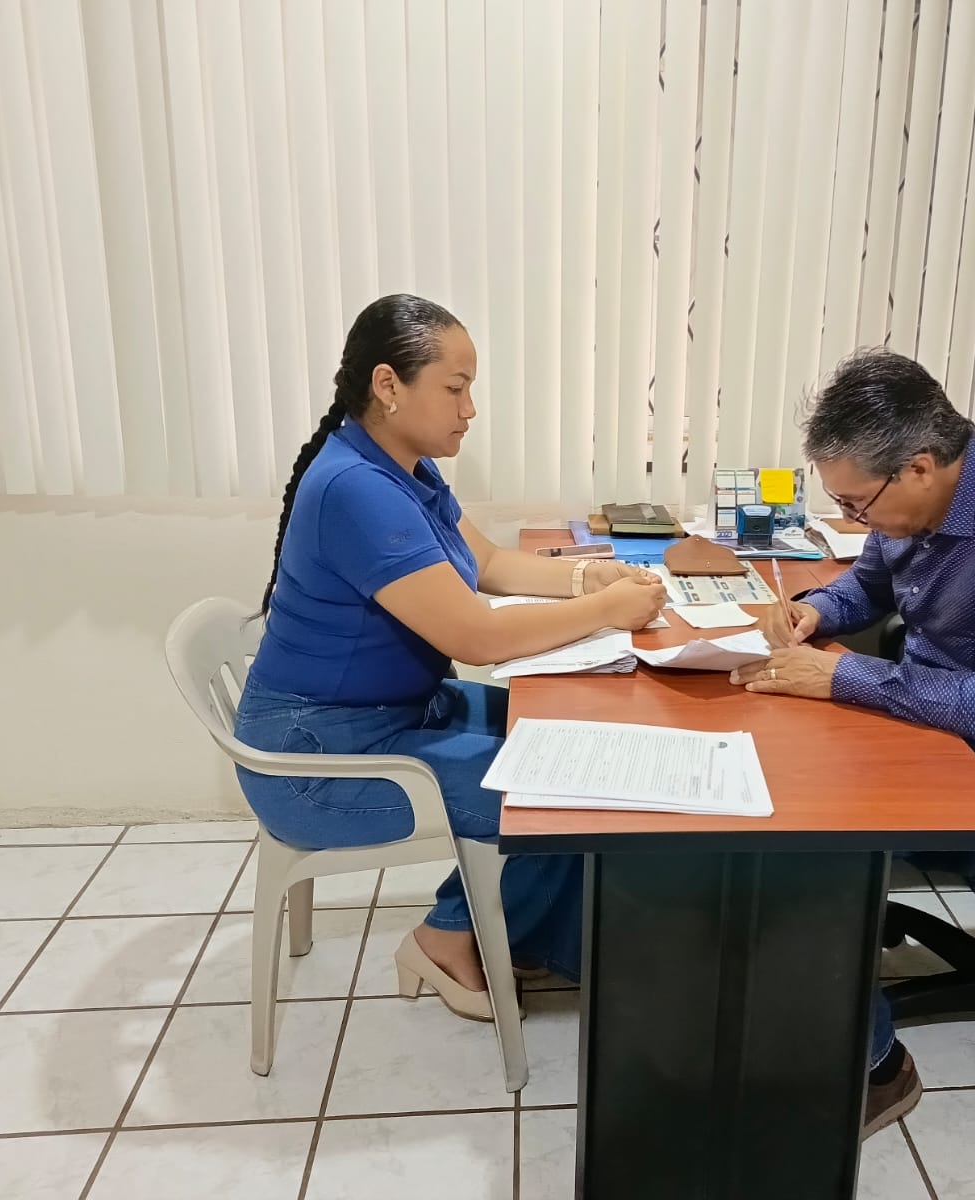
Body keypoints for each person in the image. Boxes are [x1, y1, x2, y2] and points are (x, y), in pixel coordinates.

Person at [236, 294, 666, 1021]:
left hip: (395, 715)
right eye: (455, 389)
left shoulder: (404, 466)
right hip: (320, 760)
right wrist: (605, 612)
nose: (470, 410)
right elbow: (476, 638)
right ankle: (448, 938)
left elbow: (487, 563)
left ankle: (511, 927)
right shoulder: (355, 489)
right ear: (388, 385)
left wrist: (585, 580)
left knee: (580, 744)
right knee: (565, 796)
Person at [730, 348, 975, 1136]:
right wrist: (816, 611)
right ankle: (784, 1002)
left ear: (919, 466)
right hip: (945, 725)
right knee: (777, 772)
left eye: (857, 503)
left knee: (804, 832)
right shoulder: (914, 501)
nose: (854, 520)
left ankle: (876, 1068)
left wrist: (842, 677)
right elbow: (870, 582)